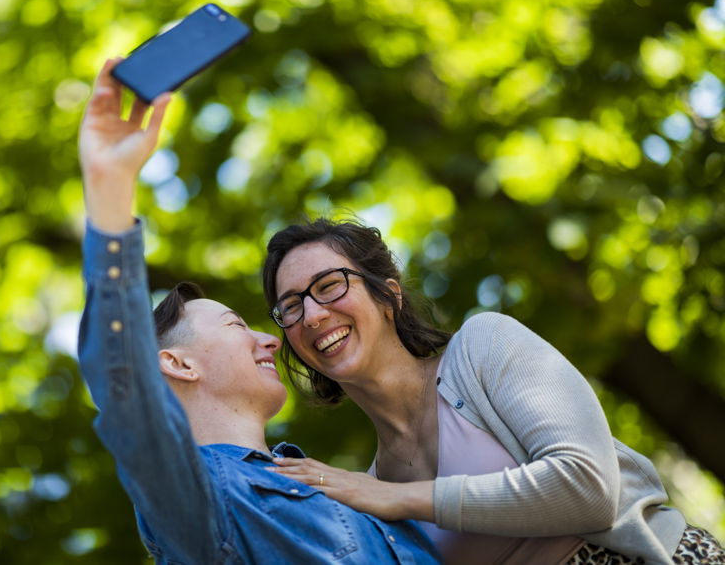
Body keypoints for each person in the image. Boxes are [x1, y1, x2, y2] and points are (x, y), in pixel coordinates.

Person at [76, 59, 442, 564]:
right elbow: (123, 387)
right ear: (178, 363)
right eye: (233, 325)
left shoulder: (349, 490)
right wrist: (109, 183)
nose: (272, 339)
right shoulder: (199, 494)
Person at [260, 218, 725, 564]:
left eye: (329, 285)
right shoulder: (369, 490)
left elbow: (589, 487)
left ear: (389, 296)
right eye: (292, 306)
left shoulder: (482, 347)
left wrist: (401, 498)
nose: (314, 315)